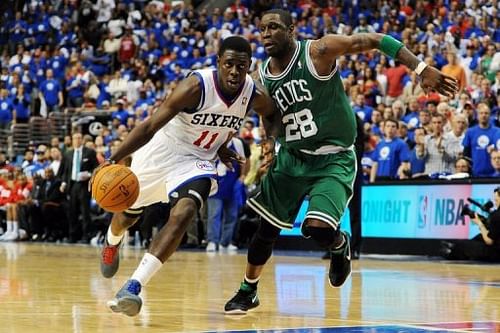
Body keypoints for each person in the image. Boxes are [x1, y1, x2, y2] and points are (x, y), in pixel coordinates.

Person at [224, 9, 458, 315]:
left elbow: (376, 39)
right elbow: (269, 114)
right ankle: (248, 291)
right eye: (262, 29)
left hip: (333, 158)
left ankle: (338, 244)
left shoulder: (319, 51)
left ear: (291, 30)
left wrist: (421, 68)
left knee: (317, 229)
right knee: (264, 231)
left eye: (274, 27)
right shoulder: (262, 77)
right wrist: (269, 141)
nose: (266, 34)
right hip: (292, 159)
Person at [92, 36, 276, 317]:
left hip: (197, 162)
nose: (235, 71)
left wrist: (268, 142)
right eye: (229, 64)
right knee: (127, 214)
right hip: (162, 151)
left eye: (241, 66)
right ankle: (112, 241)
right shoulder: (195, 86)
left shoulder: (253, 93)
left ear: (249, 65)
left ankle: (133, 287)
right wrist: (112, 160)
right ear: (218, 63)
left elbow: (272, 114)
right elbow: (150, 125)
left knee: (186, 211)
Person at [441, 187, 500, 261]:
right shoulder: (496, 215)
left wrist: (480, 223)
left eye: (496, 200)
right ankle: (454, 249)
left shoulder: (497, 215)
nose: (495, 203)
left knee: (463, 245)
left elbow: (489, 241)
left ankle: (452, 251)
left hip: (495, 253)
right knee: (479, 237)